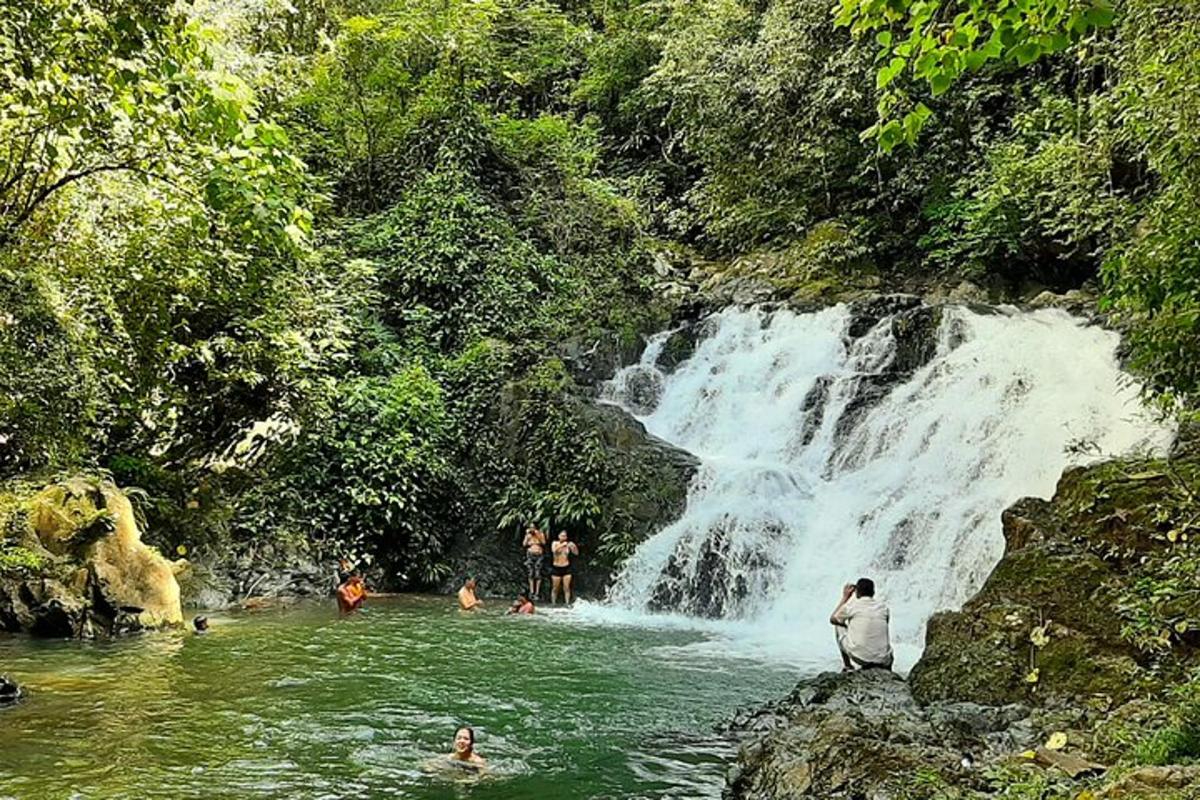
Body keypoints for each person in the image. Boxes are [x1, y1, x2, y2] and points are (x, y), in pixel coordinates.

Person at [829, 577, 893, 671]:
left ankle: (848, 666)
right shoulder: (883, 608)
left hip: (860, 657)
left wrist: (845, 597)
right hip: (883, 659)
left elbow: (833, 619)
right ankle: (887, 670)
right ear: (873, 592)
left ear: (857, 592)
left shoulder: (851, 606)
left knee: (838, 625)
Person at [550, 531, 579, 605]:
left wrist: (573, 547)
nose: (563, 537)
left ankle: (567, 603)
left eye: (565, 536)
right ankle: (553, 603)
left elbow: (576, 553)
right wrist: (563, 545)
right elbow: (554, 551)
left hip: (566, 567)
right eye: (562, 536)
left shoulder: (568, 545)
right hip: (556, 567)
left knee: (566, 587)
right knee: (555, 588)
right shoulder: (555, 543)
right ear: (559, 536)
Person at [522, 524, 547, 599]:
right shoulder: (528, 535)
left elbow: (543, 543)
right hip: (530, 554)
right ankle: (531, 591)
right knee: (530, 572)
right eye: (531, 528)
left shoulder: (540, 534)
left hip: (539, 554)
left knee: (538, 573)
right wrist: (527, 536)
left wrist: (537, 534)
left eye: (533, 527)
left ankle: (537, 592)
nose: (532, 529)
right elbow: (524, 544)